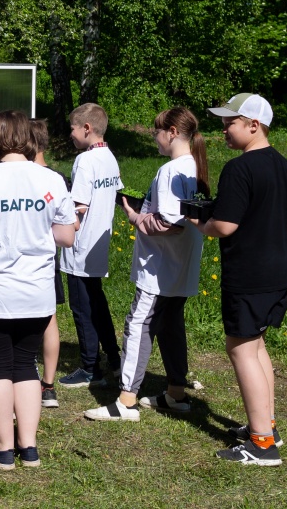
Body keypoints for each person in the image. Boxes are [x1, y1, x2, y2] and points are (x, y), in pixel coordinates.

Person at [191, 93, 287, 467]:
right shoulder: (286, 167)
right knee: (255, 347)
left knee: (240, 349)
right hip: (281, 271)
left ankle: (261, 445)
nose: (223, 129)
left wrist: (200, 223)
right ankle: (266, 425)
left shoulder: (239, 169)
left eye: (230, 123)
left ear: (254, 126)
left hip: (250, 274)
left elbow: (224, 226)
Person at [0, 110, 76, 470]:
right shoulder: (50, 178)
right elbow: (67, 236)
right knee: (25, 363)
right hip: (36, 291)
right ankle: (29, 447)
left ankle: (3, 449)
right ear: (28, 138)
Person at [83, 107, 208, 422]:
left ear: (172, 132)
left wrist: (136, 217)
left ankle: (126, 401)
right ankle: (175, 394)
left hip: (160, 267)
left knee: (138, 325)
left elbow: (169, 222)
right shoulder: (195, 165)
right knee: (170, 326)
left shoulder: (171, 170)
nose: (154, 137)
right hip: (181, 265)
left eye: (156, 131)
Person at [59, 103, 123, 388]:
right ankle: (113, 356)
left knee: (82, 307)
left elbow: (79, 206)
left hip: (81, 246)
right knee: (97, 303)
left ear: (86, 128)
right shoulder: (109, 156)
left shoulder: (85, 161)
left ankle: (89, 367)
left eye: (72, 128)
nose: (70, 134)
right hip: (99, 244)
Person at [29, 119, 70, 409]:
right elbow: (69, 225)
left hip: (27, 262)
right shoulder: (57, 178)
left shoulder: (23, 178)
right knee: (49, 320)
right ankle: (48, 385)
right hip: (47, 260)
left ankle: (26, 379)